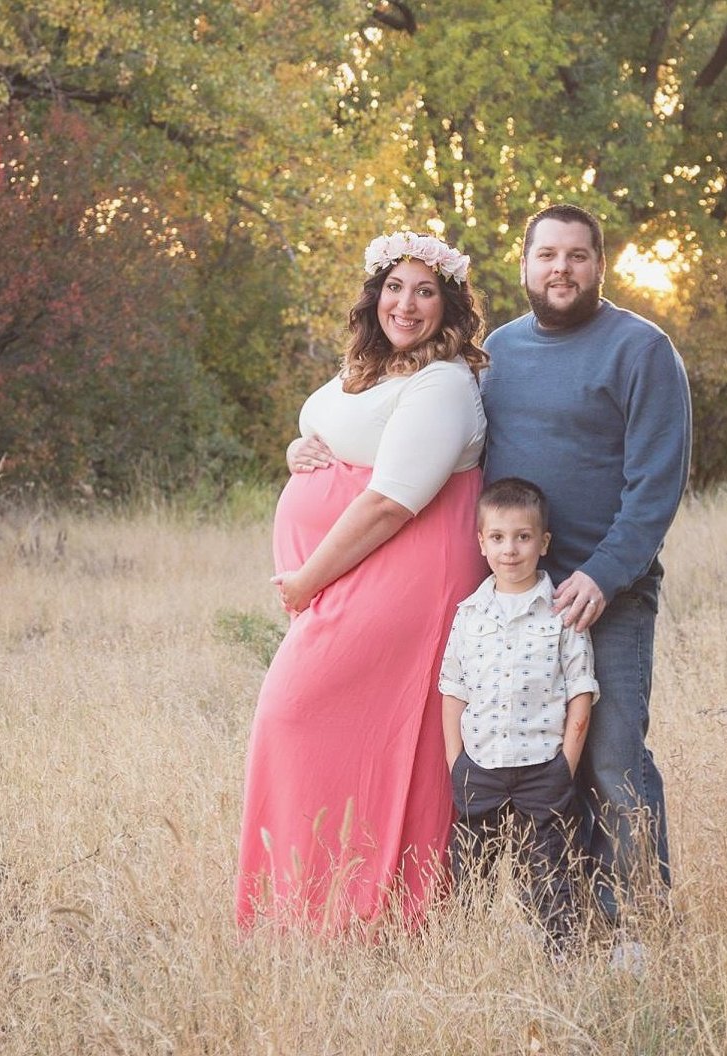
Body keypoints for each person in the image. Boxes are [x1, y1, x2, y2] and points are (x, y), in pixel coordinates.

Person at [236, 231, 488, 931]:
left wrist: (305, 582)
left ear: (451, 304)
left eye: (426, 291)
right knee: (341, 733)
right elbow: (333, 427)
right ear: (375, 294)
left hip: (404, 580)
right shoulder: (375, 367)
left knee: (298, 715)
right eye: (394, 287)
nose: (405, 304)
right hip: (358, 579)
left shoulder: (443, 383)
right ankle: (313, 909)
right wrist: (299, 447)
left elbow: (389, 502)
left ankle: (363, 907)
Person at [480, 204, 691, 927]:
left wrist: (604, 573)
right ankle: (565, 925)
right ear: (525, 265)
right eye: (547, 256)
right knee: (542, 770)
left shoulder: (640, 350)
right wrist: (310, 442)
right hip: (518, 600)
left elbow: (657, 482)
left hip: (609, 595)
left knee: (611, 759)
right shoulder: (497, 353)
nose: (560, 269)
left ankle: (636, 922)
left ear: (601, 264)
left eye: (576, 255)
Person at [439, 478, 598, 948]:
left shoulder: (561, 613)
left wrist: (565, 764)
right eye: (498, 537)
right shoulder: (469, 614)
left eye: (523, 537)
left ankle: (560, 953)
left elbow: (581, 690)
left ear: (543, 543)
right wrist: (457, 762)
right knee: (471, 871)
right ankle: (470, 954)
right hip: (481, 765)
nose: (510, 549)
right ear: (481, 543)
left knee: (550, 870)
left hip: (541, 766)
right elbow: (453, 690)